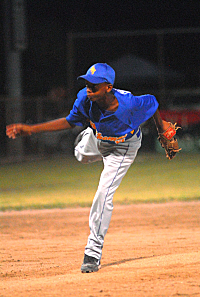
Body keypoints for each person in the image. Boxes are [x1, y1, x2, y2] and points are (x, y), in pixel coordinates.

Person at [6, 63, 174, 273]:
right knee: (81, 155)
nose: (88, 88)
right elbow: (69, 121)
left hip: (123, 148)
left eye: (94, 85)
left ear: (108, 87)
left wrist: (161, 127)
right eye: (87, 83)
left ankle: (92, 253)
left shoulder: (129, 105)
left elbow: (152, 102)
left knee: (103, 194)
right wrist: (31, 129)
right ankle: (87, 136)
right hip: (97, 140)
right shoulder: (85, 99)